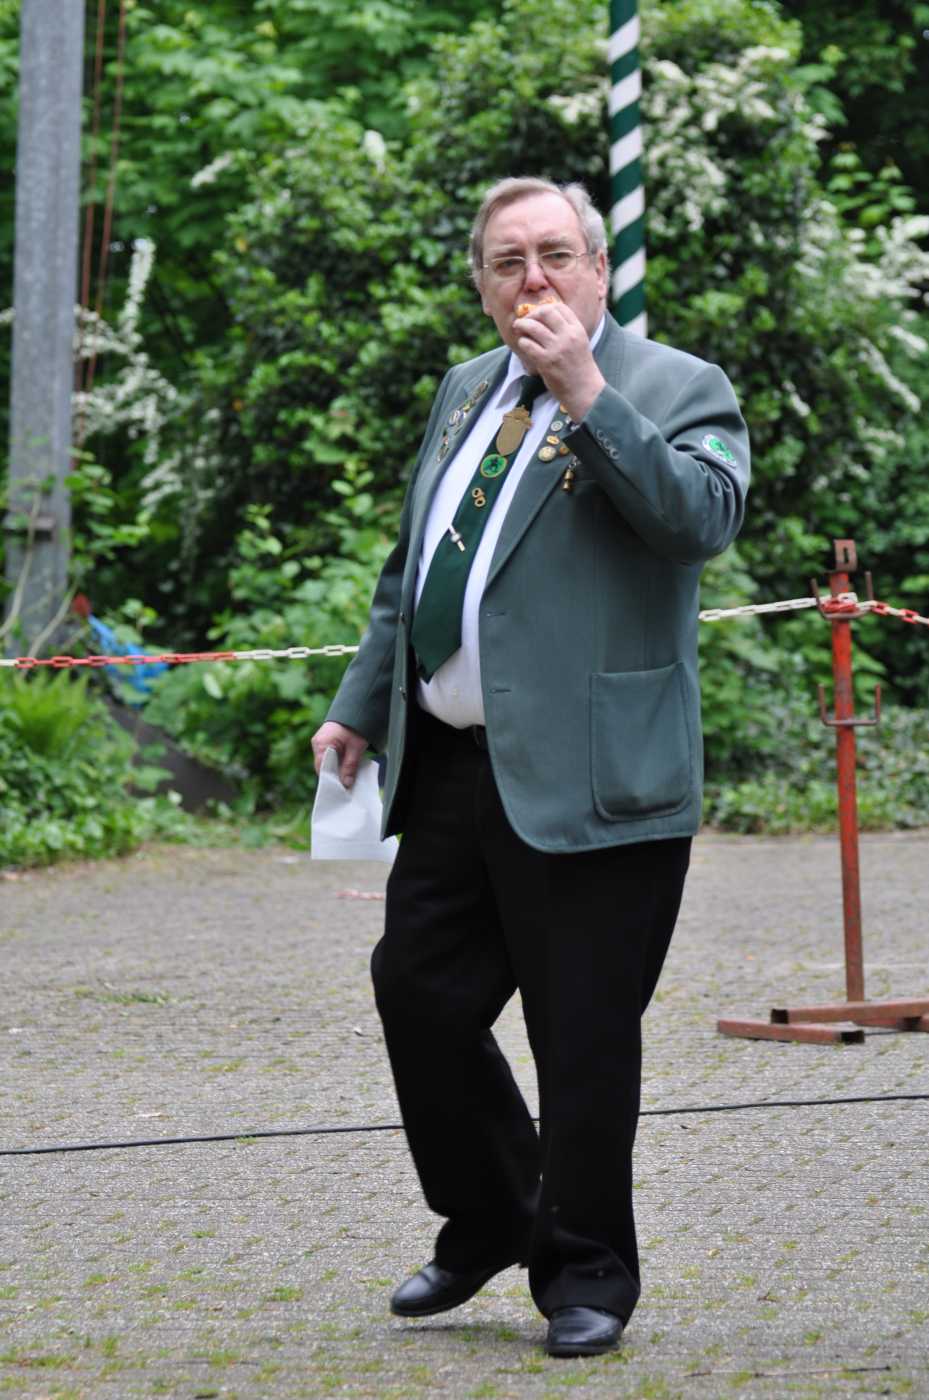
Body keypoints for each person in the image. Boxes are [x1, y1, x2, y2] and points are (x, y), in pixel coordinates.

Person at [311, 176, 749, 1358]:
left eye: (555, 254)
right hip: (453, 766)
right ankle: (493, 1211)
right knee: (418, 993)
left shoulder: (677, 386)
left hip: (598, 776)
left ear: (598, 269)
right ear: (481, 283)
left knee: (583, 1032)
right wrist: (360, 704)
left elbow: (699, 520)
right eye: (507, 262)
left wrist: (585, 393)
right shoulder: (467, 388)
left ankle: (586, 1268)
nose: (533, 279)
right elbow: (413, 567)